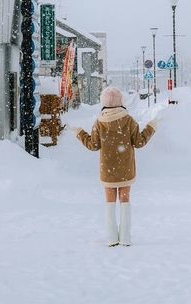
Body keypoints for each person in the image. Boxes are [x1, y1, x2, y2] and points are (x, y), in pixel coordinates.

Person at [68, 85, 159, 246]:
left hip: (107, 169)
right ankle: (125, 238)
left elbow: (93, 145)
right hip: (126, 169)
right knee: (125, 201)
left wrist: (79, 133)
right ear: (120, 102)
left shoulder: (99, 123)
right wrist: (151, 127)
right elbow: (139, 142)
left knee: (109, 203)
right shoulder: (128, 120)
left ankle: (111, 238)